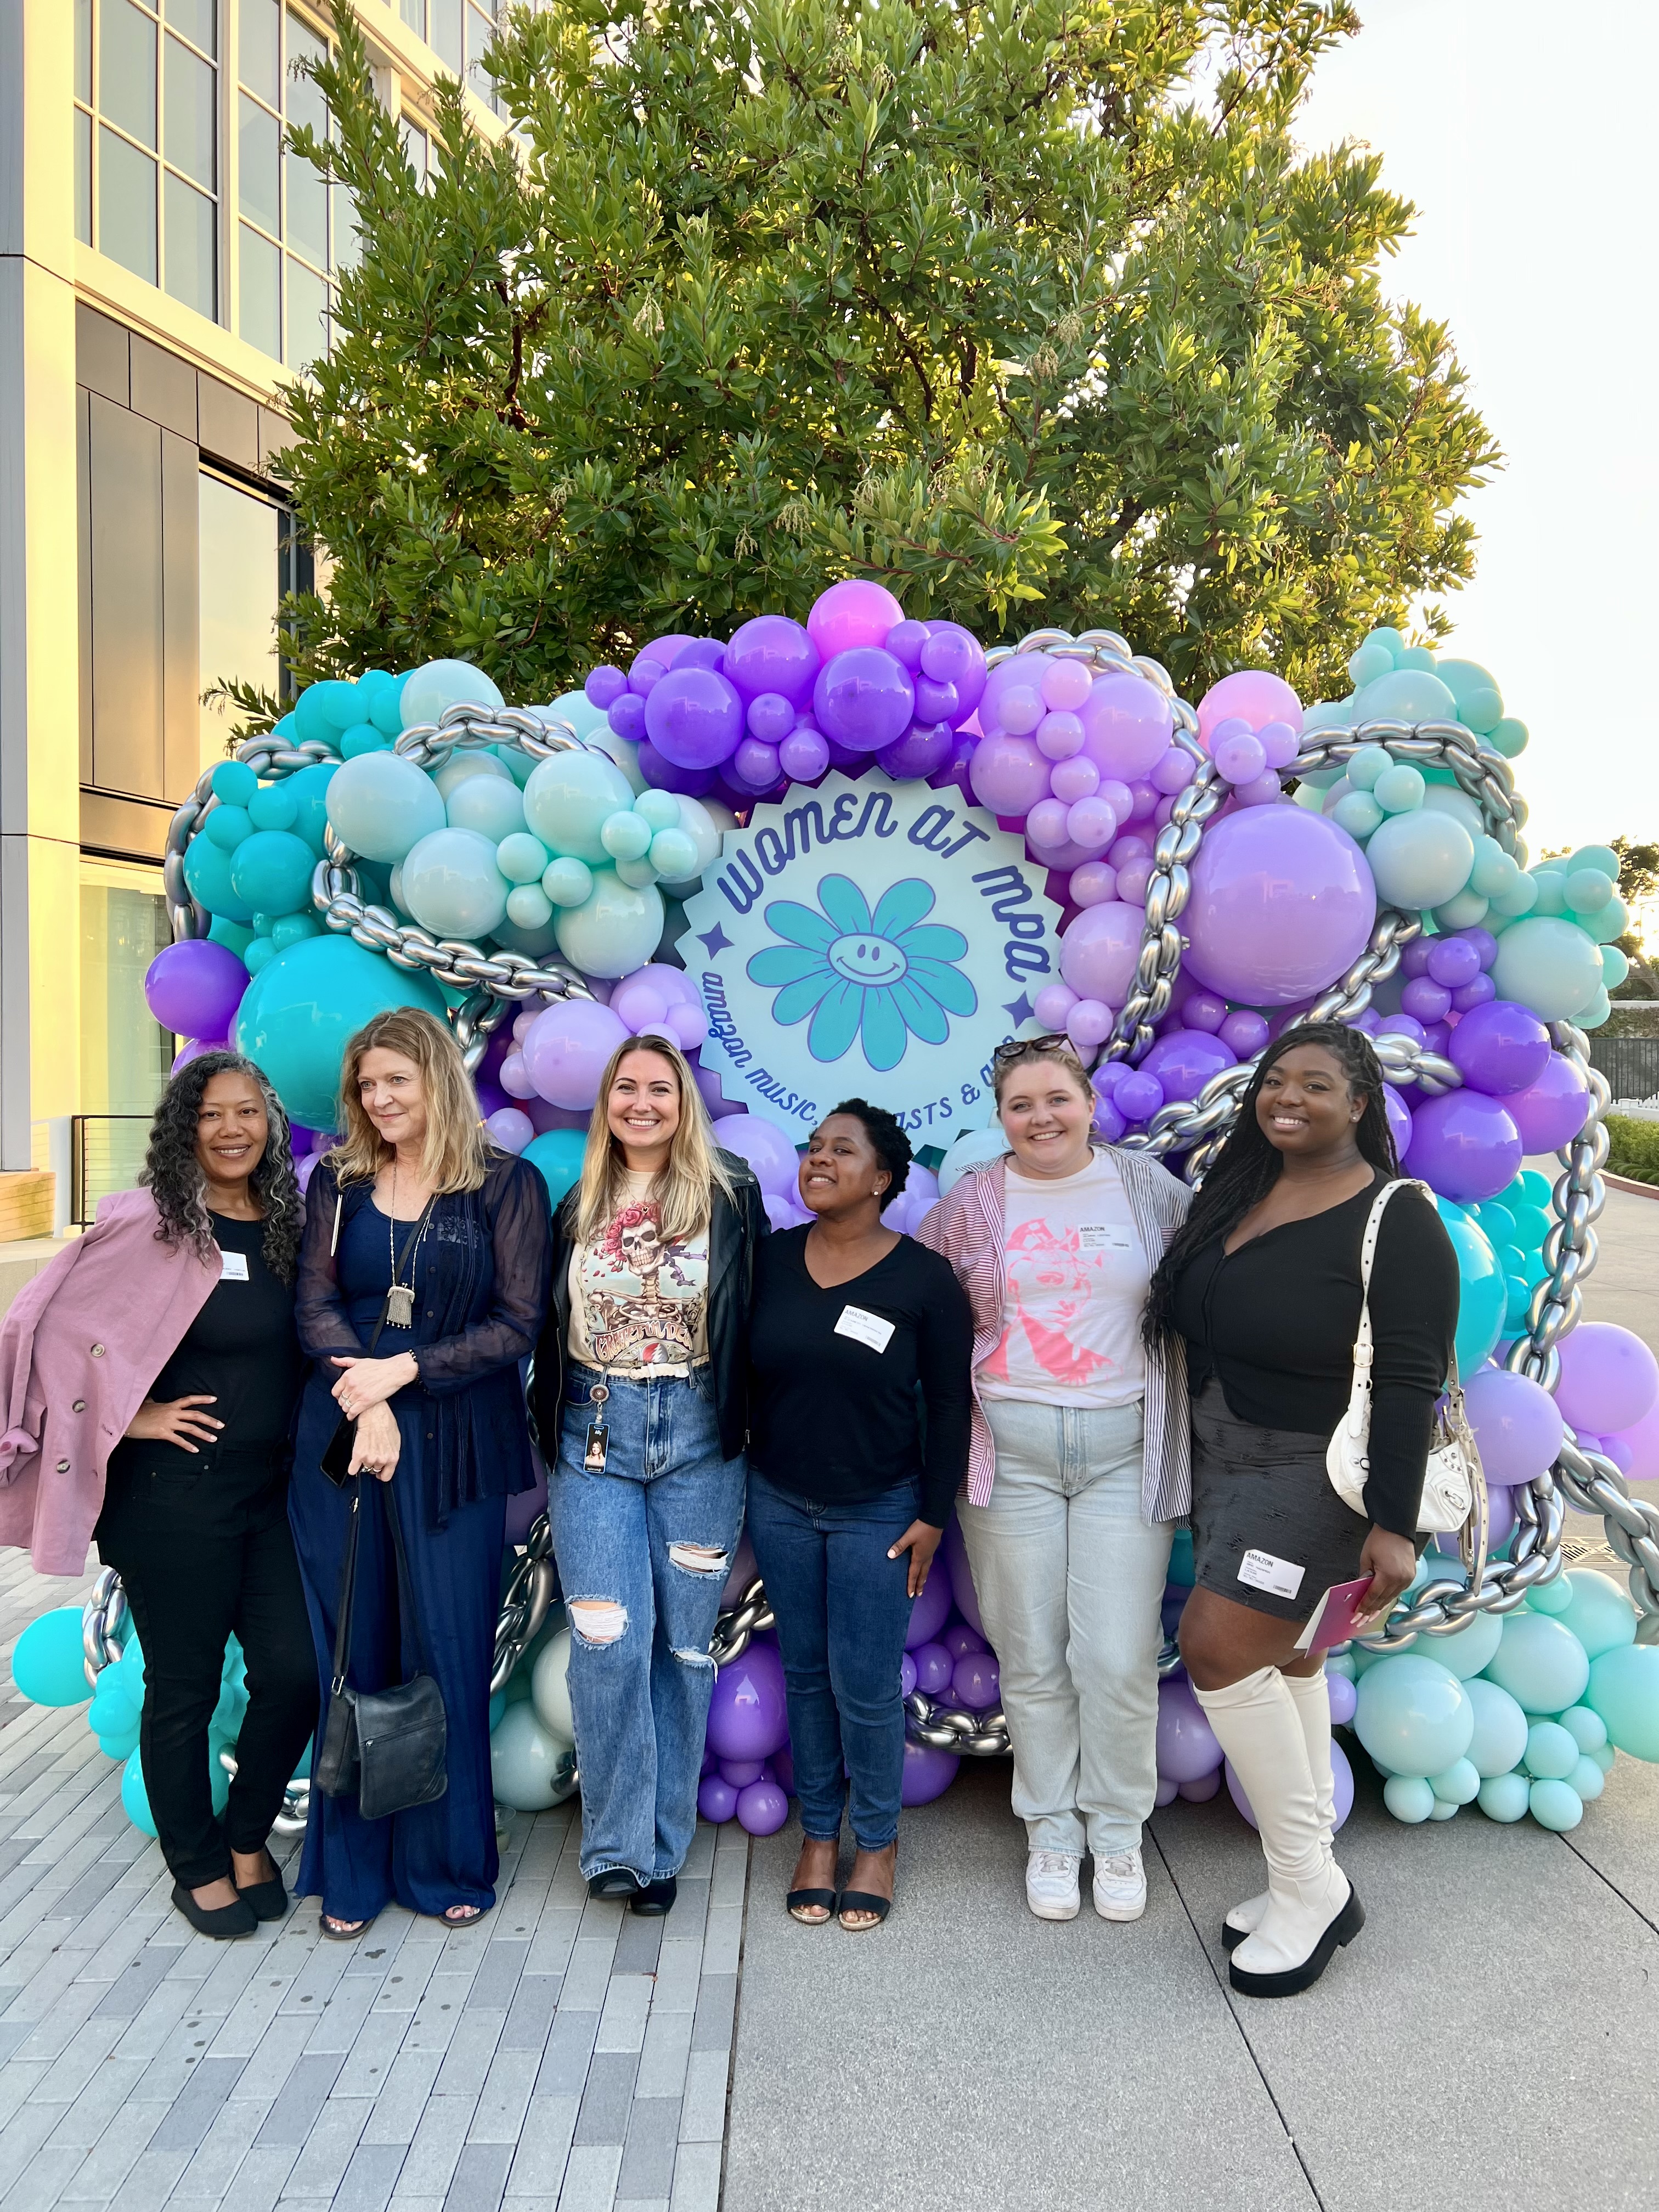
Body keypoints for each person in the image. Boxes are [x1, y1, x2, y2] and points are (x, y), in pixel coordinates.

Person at [1147, 1020, 1458, 1998]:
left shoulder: (1398, 1214)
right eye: (1275, 1081)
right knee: (1288, 1653)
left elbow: (1410, 1381)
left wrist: (1396, 1527)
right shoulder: (1242, 1189)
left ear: (1360, 1105)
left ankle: (1307, 1885)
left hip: (1318, 1477)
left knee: (1217, 1647)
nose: (1288, 1098)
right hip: (1225, 1461)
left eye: (1316, 1085)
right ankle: (1314, 1879)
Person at [0, 1053, 318, 1939]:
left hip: (268, 1498)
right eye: (212, 1113)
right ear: (185, 1124)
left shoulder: (286, 1221)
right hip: (170, 1502)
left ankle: (247, 1835)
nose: (231, 1129)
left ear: (270, 1123)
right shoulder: (148, 1222)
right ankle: (197, 1863)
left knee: (292, 1670)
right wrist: (131, 1417)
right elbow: (39, 1324)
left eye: (248, 1112)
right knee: (180, 1686)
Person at [918, 1036, 1192, 1925]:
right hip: (1010, 1454)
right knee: (1032, 1660)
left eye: (1056, 1100)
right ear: (1000, 1119)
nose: (1041, 1118)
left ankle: (1116, 1833)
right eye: (1020, 1106)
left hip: (1124, 1453)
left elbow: (1208, 1286)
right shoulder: (972, 1202)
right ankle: (1051, 1831)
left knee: (1115, 1658)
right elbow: (919, 1299)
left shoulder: (1148, 1188)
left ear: (1090, 1104)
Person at [290, 1007, 550, 1937]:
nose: (379, 1098)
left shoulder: (504, 1187)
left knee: (446, 1649)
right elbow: (313, 1306)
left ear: (437, 1078)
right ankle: (352, 1874)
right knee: (354, 1648)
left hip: (456, 1444)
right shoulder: (340, 1182)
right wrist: (370, 1400)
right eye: (366, 1085)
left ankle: (444, 1862)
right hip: (343, 1437)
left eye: (395, 1080)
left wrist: (403, 1374)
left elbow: (518, 1324)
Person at [529, 1035, 766, 1916]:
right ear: (605, 1101)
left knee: (680, 1650)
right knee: (608, 1643)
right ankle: (615, 1846)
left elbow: (756, 1316)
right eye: (625, 1088)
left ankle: (661, 1851)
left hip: (702, 1434)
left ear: (683, 1102)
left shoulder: (731, 1194)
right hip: (594, 1436)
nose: (641, 1103)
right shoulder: (578, 1200)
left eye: (659, 1089)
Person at [746, 1101, 972, 1932]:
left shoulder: (923, 1280)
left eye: (842, 1151)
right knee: (803, 1674)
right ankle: (817, 1837)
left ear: (883, 1179)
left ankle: (875, 1842)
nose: (818, 1160)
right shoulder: (768, 1261)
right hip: (778, 1501)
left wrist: (932, 1514)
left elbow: (951, 1405)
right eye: (812, 1148)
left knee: (867, 1687)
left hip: (880, 1509)